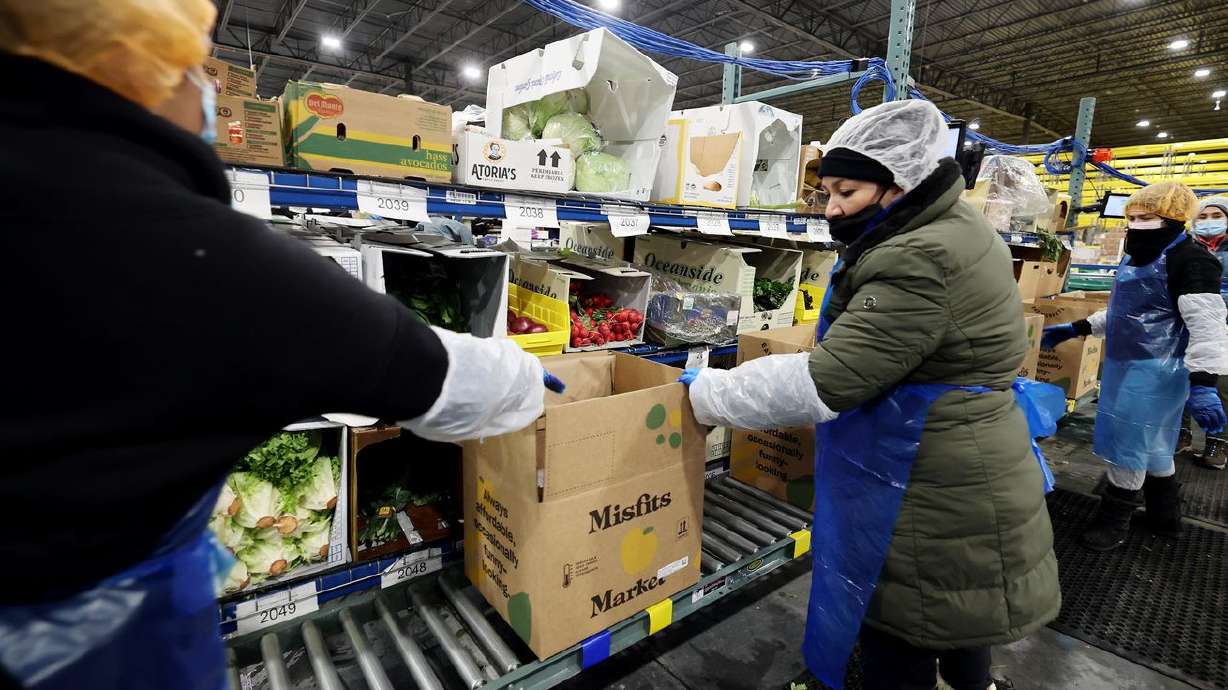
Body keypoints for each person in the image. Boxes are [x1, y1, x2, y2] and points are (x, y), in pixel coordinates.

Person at [0, 2, 551, 689]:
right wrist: (526, 377)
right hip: (104, 653)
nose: (208, 93)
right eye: (191, 71)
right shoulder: (203, 256)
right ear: (142, 75)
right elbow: (434, 378)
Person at [680, 100, 1058, 690]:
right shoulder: (949, 224)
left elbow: (826, 381)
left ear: (898, 184)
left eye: (846, 192)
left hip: (928, 474)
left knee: (903, 622)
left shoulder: (920, 255)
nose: (831, 208)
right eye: (826, 192)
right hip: (965, 455)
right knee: (955, 614)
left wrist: (712, 395)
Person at [1043, 183, 1228, 551]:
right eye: (1132, 218)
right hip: (1122, 364)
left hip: (1156, 370)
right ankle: (1165, 517)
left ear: (1174, 218)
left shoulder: (1191, 260)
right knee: (1155, 445)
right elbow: (1128, 310)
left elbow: (1207, 325)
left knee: (1128, 444)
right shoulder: (1134, 256)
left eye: (1147, 218)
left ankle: (1114, 522)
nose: (1137, 225)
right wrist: (1079, 327)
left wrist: (1205, 382)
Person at [1186, 196, 1228, 469]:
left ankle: (1218, 441)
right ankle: (1179, 434)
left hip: (1224, 327)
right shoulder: (1186, 248)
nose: (1208, 221)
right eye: (1202, 216)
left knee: (1221, 386)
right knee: (1181, 377)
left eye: (1216, 215)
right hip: (1189, 323)